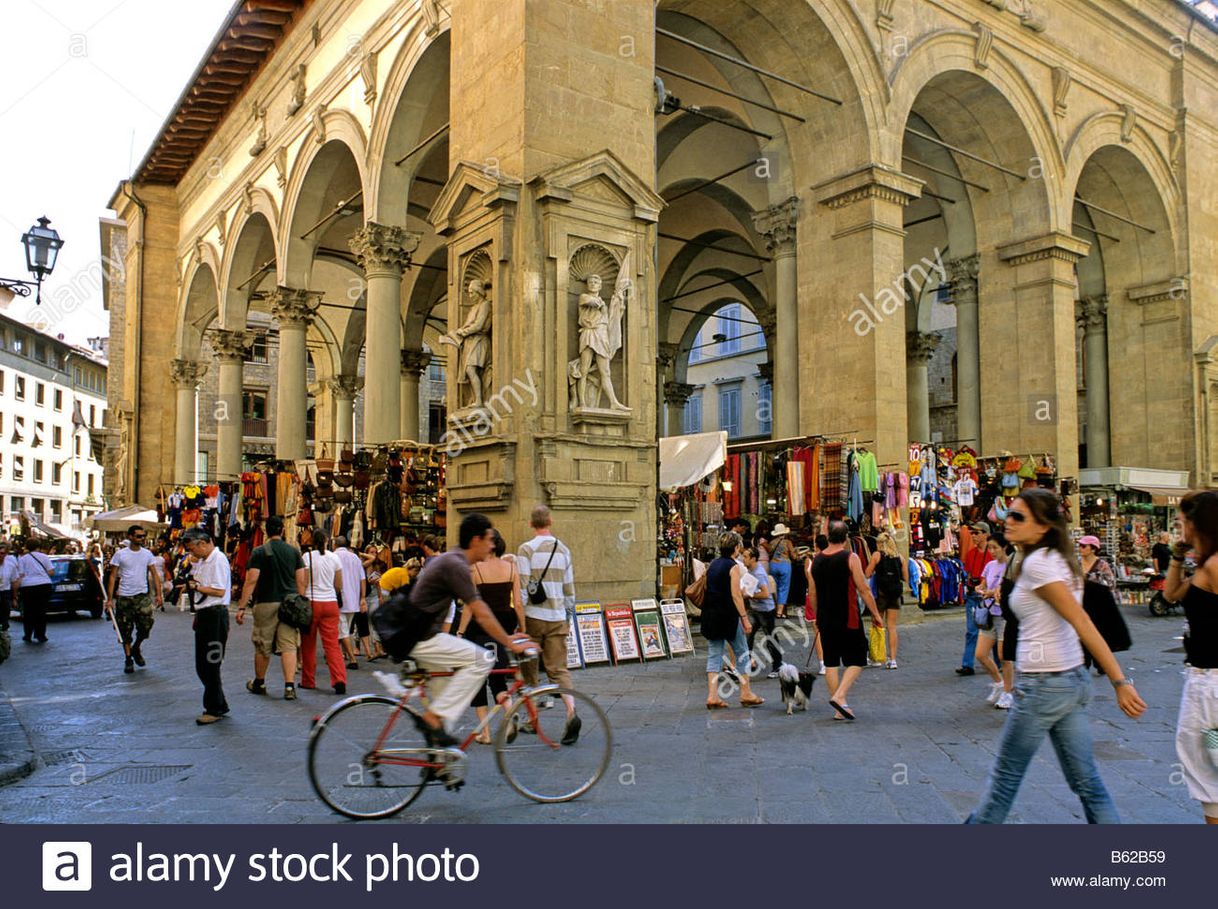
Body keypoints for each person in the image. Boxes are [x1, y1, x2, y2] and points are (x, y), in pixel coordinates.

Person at [967, 488, 1146, 823]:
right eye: (1009, 513)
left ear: (1043, 527)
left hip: (1043, 685)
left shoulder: (1038, 565)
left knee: (1004, 782)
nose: (1009, 520)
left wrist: (1120, 681)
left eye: (1019, 516)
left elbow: (1082, 622)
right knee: (1087, 783)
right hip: (1067, 680)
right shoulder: (1057, 560)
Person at [407, 513, 533, 747]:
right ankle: (431, 721)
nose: (493, 545)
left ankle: (439, 756)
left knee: (445, 696)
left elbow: (476, 611)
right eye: (489, 539)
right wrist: (509, 641)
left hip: (419, 634)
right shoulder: (456, 565)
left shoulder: (457, 561)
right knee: (482, 661)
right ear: (476, 540)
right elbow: (480, 611)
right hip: (421, 636)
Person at [1162, 491, 1218, 824]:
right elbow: (1170, 594)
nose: (1178, 526)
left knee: (1209, 775)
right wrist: (1177, 556)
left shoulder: (1214, 565)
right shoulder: (1205, 564)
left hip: (1211, 686)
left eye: (1182, 521)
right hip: (1203, 683)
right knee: (1208, 768)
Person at [517, 505, 582, 740]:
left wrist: (521, 617)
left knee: (529, 669)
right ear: (550, 522)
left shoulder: (525, 549)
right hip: (556, 617)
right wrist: (567, 612)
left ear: (531, 524)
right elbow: (569, 587)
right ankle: (571, 711)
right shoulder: (563, 549)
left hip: (534, 616)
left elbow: (524, 586)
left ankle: (533, 718)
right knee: (559, 669)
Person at [457, 528, 525, 744]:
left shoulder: (475, 569)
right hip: (504, 626)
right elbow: (519, 602)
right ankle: (509, 710)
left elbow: (470, 605)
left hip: (480, 628)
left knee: (477, 681)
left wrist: (460, 632)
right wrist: (522, 627)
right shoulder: (512, 568)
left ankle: (484, 732)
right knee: (497, 676)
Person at [809, 522, 883, 720]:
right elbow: (864, 589)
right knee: (858, 657)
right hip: (847, 615)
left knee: (831, 661)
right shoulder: (851, 557)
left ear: (828, 535)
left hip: (825, 616)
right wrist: (876, 614)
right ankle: (840, 696)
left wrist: (817, 615)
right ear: (846, 537)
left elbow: (813, 593)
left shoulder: (816, 560)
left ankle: (839, 707)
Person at [234, 515, 307, 700]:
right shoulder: (294, 552)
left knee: (262, 645)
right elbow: (301, 580)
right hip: (289, 604)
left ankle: (259, 682)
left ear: (267, 531)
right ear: (282, 530)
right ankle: (289, 687)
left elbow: (251, 580)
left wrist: (242, 607)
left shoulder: (259, 552)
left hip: (266, 602)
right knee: (288, 645)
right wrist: (302, 602)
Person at [701, 532, 764, 710]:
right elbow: (735, 595)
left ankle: (712, 696)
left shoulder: (712, 565)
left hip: (711, 614)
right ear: (736, 548)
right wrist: (745, 618)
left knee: (714, 654)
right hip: (727, 616)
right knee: (742, 652)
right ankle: (746, 692)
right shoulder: (733, 567)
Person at [182, 528, 232, 726]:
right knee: (203, 665)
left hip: (215, 615)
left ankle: (214, 708)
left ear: (202, 543)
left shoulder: (217, 560)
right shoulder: (204, 560)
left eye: (192, 548)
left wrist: (196, 587)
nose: (191, 553)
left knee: (210, 664)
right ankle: (219, 703)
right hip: (206, 614)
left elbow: (219, 591)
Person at [105, 525, 163, 674]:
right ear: (130, 536)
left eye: (143, 536)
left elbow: (154, 574)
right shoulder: (120, 554)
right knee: (125, 630)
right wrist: (109, 599)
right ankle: (129, 658)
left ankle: (136, 647)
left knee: (145, 627)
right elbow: (113, 576)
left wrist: (158, 594)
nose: (142, 539)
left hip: (142, 596)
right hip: (124, 596)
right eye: (138, 536)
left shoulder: (147, 554)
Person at [300, 531, 346, 695]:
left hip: (312, 602)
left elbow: (304, 582)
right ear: (327, 541)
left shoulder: (307, 557)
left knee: (308, 644)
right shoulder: (335, 558)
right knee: (332, 644)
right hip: (330, 603)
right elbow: (339, 585)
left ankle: (308, 680)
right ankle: (339, 679)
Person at [975, 532, 1011, 708]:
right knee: (981, 654)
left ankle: (1008, 692)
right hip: (989, 612)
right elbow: (983, 583)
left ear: (1004, 547)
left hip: (1004, 614)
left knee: (1004, 656)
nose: (991, 551)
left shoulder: (1011, 565)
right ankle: (998, 683)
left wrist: (994, 592)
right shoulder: (990, 565)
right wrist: (981, 588)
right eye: (989, 548)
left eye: (995, 547)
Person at [865, 532, 907, 669]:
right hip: (894, 594)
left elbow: (867, 573)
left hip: (881, 595)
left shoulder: (877, 556)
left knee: (877, 624)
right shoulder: (900, 558)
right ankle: (893, 659)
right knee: (892, 627)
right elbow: (905, 578)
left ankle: (877, 657)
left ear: (880, 543)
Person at [957, 521, 993, 676]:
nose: (974, 536)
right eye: (972, 533)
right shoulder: (971, 554)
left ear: (986, 534)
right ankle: (967, 664)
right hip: (973, 594)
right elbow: (969, 573)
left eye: (977, 533)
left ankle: (999, 662)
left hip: (988, 596)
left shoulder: (992, 554)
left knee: (993, 631)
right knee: (971, 631)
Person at [741, 547, 782, 677]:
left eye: (746, 557)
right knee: (748, 635)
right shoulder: (750, 570)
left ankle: (778, 666)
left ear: (753, 559)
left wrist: (749, 595)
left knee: (770, 637)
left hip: (765, 610)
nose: (743, 559)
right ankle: (748, 663)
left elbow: (765, 593)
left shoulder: (758, 573)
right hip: (755, 609)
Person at [332, 535, 367, 670]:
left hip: (339, 599)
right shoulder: (355, 558)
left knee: (343, 630)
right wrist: (362, 597)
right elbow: (362, 579)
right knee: (343, 628)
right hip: (353, 599)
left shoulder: (333, 556)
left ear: (335, 545)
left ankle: (352, 659)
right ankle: (338, 654)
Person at [16, 538, 54, 644]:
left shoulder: (23, 559)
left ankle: (27, 635)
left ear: (27, 547)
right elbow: (51, 572)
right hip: (44, 585)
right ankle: (41, 635)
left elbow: (21, 574)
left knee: (28, 611)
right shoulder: (44, 557)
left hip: (28, 586)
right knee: (41, 611)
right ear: (38, 547)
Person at [804, 534, 829, 674]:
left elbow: (807, 577)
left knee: (817, 631)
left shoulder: (810, 559)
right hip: (828, 595)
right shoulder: (832, 558)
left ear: (816, 546)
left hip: (813, 596)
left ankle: (822, 663)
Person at [767, 523, 794, 618]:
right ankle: (779, 612)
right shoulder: (788, 542)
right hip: (784, 565)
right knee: (784, 588)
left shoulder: (772, 542)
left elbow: (769, 552)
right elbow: (793, 556)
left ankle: (773, 609)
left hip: (773, 565)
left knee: (774, 587)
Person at [0, 541, 18, 632]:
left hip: (5, 593)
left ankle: (4, 639)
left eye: (2, 553)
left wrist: (14, 598)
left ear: (6, 554)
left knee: (5, 617)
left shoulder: (10, 565)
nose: (0, 555)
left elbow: (14, 582)